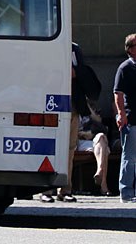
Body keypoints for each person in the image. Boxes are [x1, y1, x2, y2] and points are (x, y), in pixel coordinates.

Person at [41, 42, 99, 203]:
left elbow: (82, 71)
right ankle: (46, 189)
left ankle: (65, 189)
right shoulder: (47, 44)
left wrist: (76, 73)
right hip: (50, 104)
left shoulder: (74, 48)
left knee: (69, 149)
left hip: (72, 105)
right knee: (48, 147)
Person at [114, 33, 136, 202]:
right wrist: (121, 114)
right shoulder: (125, 68)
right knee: (129, 156)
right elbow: (118, 93)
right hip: (131, 118)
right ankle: (126, 192)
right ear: (130, 49)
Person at [77, 102, 112, 196]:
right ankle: (104, 186)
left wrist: (87, 105)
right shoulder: (72, 109)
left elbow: (99, 122)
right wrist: (82, 134)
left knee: (102, 137)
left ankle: (99, 170)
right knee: (104, 150)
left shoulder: (91, 110)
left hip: (90, 139)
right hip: (76, 140)